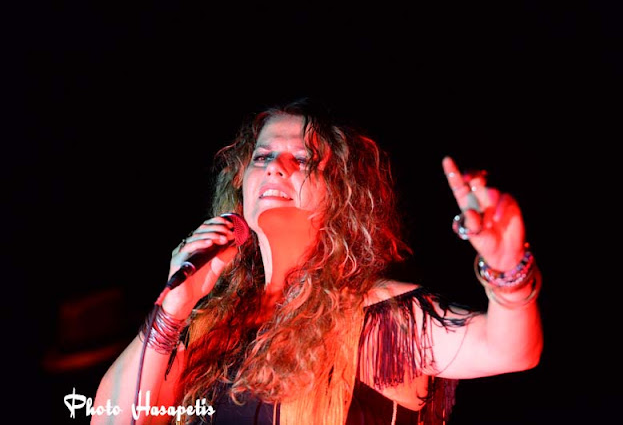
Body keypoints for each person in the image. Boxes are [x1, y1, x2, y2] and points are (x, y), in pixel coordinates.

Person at [92, 97, 543, 425]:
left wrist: (508, 272)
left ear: (342, 195)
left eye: (303, 159)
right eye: (263, 156)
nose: (275, 167)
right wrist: (173, 307)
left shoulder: (376, 317)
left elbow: (509, 350)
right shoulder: (211, 327)